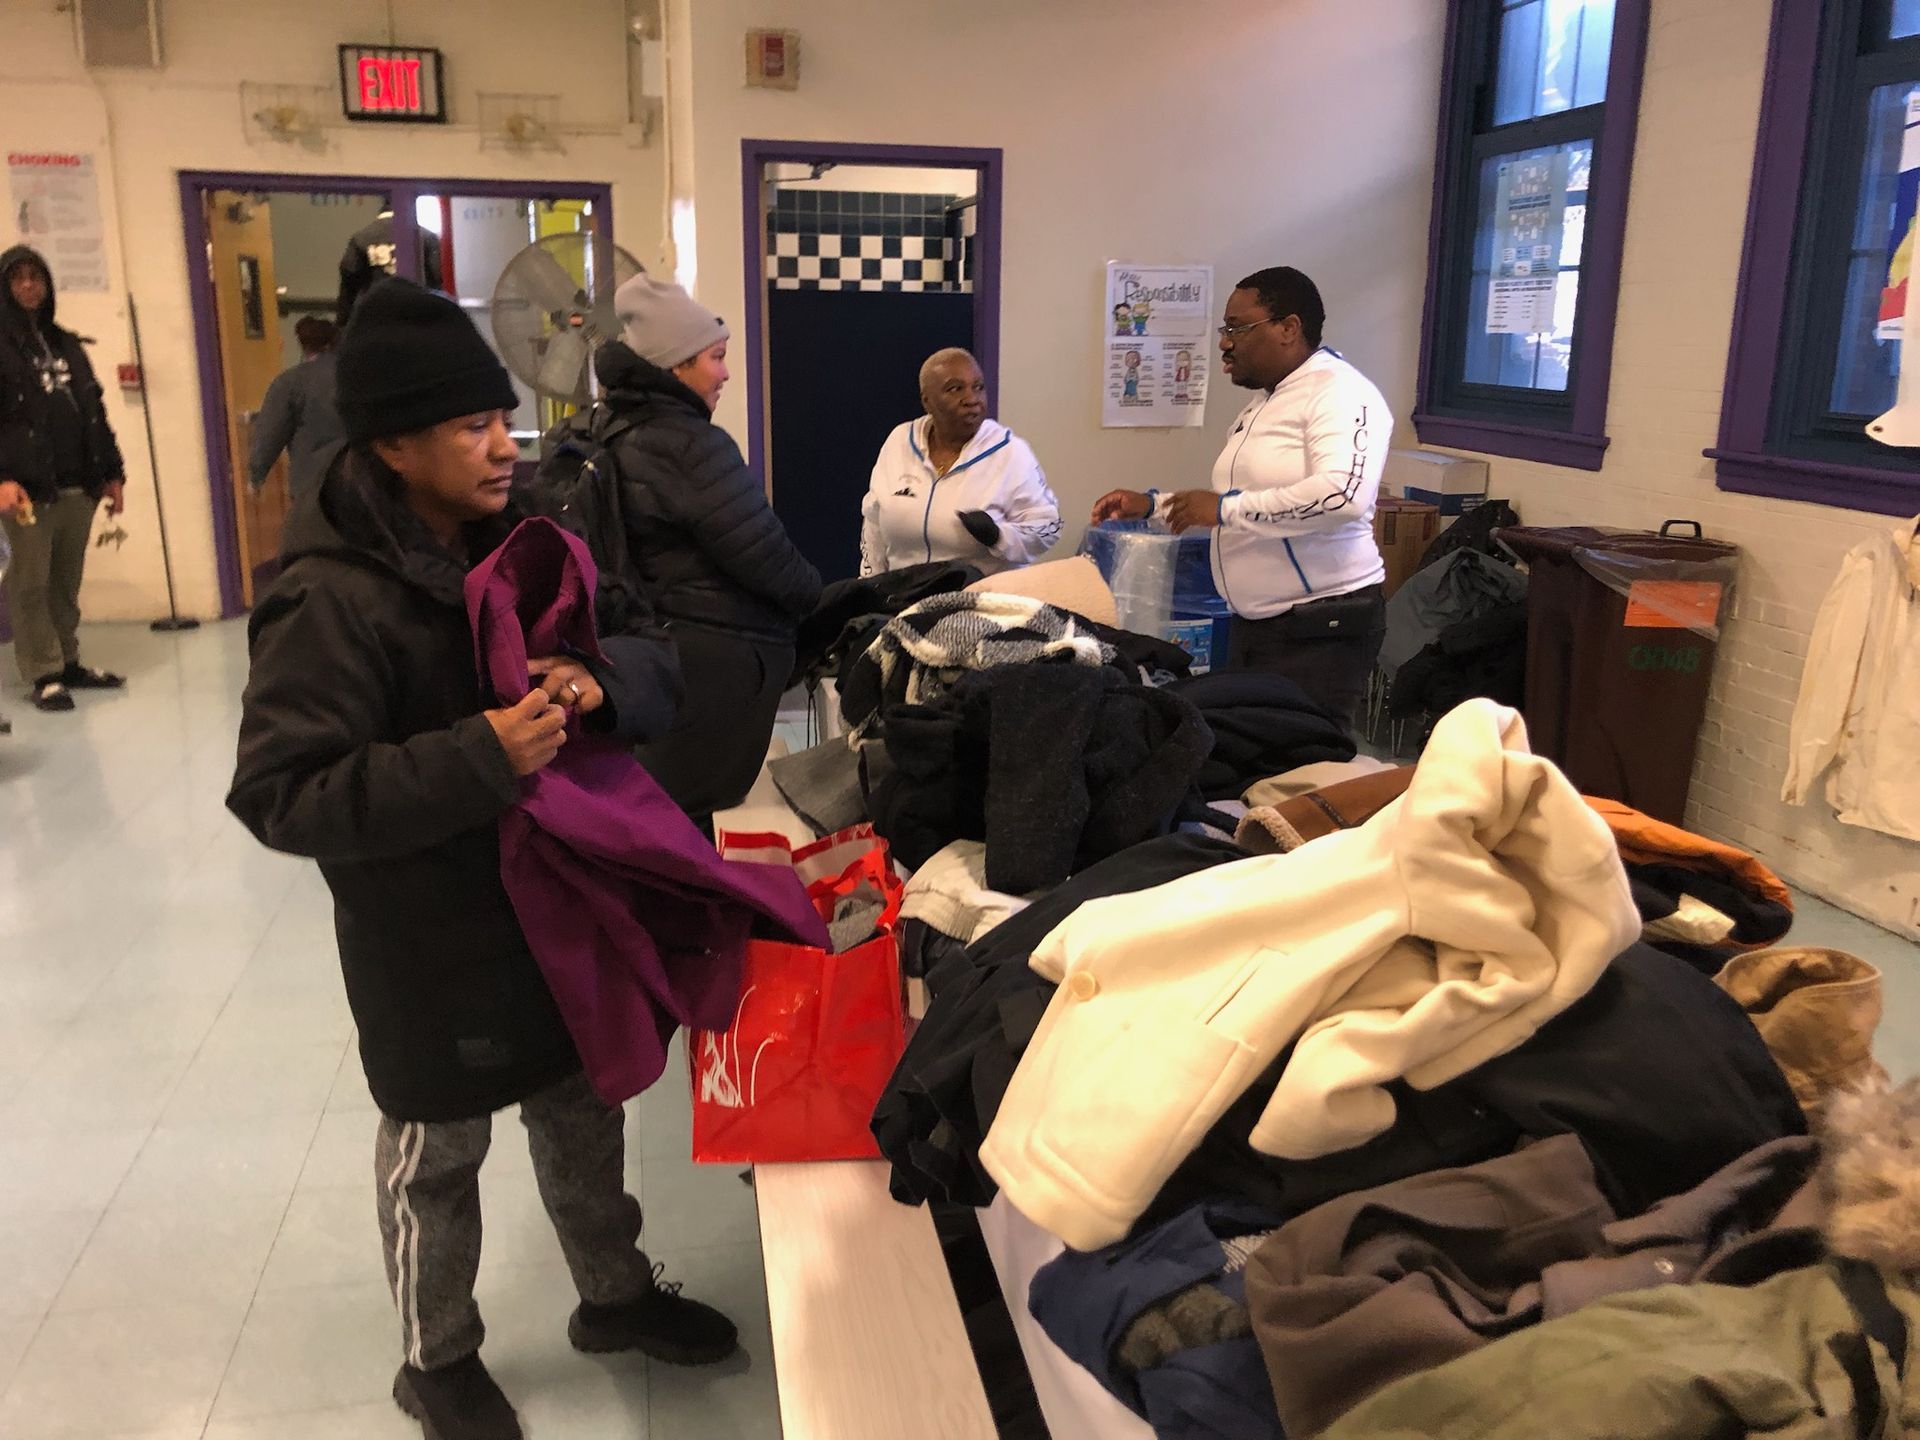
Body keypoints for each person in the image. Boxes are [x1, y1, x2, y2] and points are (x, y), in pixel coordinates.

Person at [227, 279, 724, 1440]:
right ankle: (435, 1360)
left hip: (557, 907)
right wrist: (477, 756)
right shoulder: (329, 600)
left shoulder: (536, 537)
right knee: (437, 1154)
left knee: (584, 1110)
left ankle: (614, 1296)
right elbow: (282, 792)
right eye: (471, 427)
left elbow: (649, 641)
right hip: (427, 934)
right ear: (393, 445)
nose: (506, 445)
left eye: (504, 419)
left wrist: (603, 684)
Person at [562, 271, 822, 832]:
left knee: (662, 821)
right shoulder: (689, 444)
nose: (726, 372)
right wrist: (816, 601)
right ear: (676, 365)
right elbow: (768, 559)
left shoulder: (612, 426)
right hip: (708, 667)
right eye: (716, 356)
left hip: (651, 653)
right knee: (683, 825)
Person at [1093, 266, 1391, 726]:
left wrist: (1225, 509)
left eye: (1237, 328)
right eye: (1224, 329)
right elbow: (1242, 499)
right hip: (1259, 623)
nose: (1224, 343)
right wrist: (1154, 506)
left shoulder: (1340, 392)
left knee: (1302, 766)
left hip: (1320, 630)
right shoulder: (1267, 400)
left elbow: (1342, 495)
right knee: (1251, 761)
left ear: (1289, 328)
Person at [0, 245, 127, 713]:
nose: (29, 286)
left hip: (78, 484)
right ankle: (43, 672)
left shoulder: (67, 343)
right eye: (18, 278)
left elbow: (94, 410)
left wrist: (113, 474)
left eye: (37, 277)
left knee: (64, 583)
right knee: (30, 584)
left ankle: (68, 661)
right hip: (27, 490)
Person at [860, 347, 1061, 577]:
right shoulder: (899, 442)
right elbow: (873, 521)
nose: (971, 399)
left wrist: (999, 537)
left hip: (983, 600)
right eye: (955, 389)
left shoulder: (1011, 452)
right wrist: (870, 584)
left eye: (978, 387)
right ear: (927, 401)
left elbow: (1048, 528)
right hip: (904, 597)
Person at [248, 314, 345, 506]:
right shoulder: (357, 377)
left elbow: (271, 432)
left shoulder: (289, 383)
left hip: (310, 483)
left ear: (303, 345)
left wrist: (256, 476)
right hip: (359, 479)